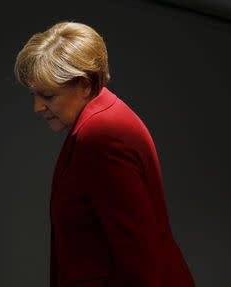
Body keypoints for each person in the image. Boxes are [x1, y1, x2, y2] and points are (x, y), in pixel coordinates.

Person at [14, 21, 196, 287]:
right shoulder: (103, 119)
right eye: (34, 95)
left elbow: (137, 255)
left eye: (48, 96)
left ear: (84, 85)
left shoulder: (102, 136)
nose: (37, 107)